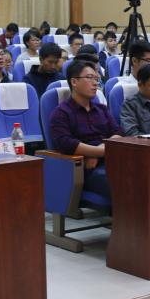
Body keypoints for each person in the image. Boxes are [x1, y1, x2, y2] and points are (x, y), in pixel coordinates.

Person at [48, 60, 122, 201]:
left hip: (110, 160)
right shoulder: (61, 113)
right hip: (84, 169)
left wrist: (98, 152)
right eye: (89, 78)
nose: (95, 83)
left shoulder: (101, 109)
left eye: (96, 79)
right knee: (124, 183)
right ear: (74, 82)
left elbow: (118, 132)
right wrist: (100, 152)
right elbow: (66, 143)